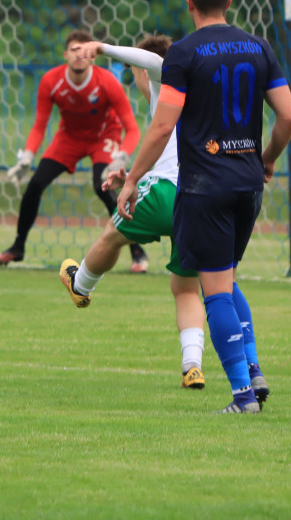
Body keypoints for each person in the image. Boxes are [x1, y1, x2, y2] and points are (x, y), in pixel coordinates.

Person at [114, 0, 291, 414]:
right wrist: (268, 157)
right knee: (225, 278)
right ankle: (252, 368)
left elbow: (162, 126)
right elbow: (289, 117)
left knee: (213, 290)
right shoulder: (259, 47)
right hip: (249, 185)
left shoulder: (184, 53)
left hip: (204, 187)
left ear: (190, 2)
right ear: (229, 1)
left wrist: (133, 177)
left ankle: (242, 395)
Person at [56, 34, 209, 390]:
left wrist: (103, 48)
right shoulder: (204, 92)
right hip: (200, 199)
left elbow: (156, 63)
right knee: (186, 288)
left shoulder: (166, 79)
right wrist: (135, 173)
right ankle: (192, 366)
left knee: (111, 236)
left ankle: (80, 285)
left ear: (140, 71)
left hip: (165, 195)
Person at [0, 30, 148, 272]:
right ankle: (17, 247)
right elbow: (39, 125)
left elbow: (133, 129)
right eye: (74, 50)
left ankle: (137, 251)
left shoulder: (107, 81)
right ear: (65, 54)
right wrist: (27, 156)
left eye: (83, 51)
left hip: (103, 136)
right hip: (69, 138)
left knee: (103, 186)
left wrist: (122, 155)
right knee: (35, 184)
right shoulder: (50, 81)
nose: (79, 56)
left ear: (92, 56)